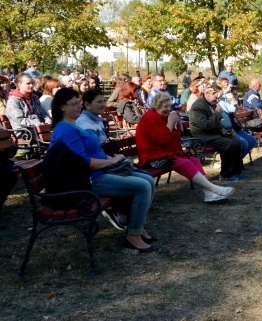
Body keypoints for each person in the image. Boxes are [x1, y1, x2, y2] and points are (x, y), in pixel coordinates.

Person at [50, 88, 157, 253]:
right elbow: (83, 163)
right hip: (90, 181)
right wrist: (111, 161)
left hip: (100, 173)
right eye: (74, 104)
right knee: (142, 186)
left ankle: (138, 227)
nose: (79, 107)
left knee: (148, 180)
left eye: (79, 103)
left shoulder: (71, 125)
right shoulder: (65, 130)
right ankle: (133, 235)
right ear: (62, 107)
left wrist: (110, 161)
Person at [136, 92, 234, 203]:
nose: (168, 109)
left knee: (194, 160)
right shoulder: (149, 118)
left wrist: (179, 124)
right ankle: (215, 189)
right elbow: (162, 140)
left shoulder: (164, 117)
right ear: (156, 106)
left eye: (169, 106)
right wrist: (170, 123)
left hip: (167, 153)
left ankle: (208, 193)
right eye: (165, 106)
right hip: (152, 158)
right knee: (184, 163)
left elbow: (178, 136)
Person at [188, 80, 246, 181]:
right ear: (208, 93)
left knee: (236, 141)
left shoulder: (211, 103)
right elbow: (205, 125)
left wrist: (223, 130)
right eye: (216, 96)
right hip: (201, 137)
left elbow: (215, 123)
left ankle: (236, 171)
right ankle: (225, 174)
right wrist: (217, 114)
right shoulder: (198, 106)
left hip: (211, 134)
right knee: (228, 144)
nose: (217, 99)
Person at [219, 91, 256, 160]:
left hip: (233, 126)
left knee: (252, 140)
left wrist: (233, 101)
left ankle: (237, 162)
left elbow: (233, 109)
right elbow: (230, 110)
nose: (229, 87)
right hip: (226, 129)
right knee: (244, 143)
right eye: (226, 84)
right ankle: (234, 164)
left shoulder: (226, 98)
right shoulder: (217, 101)